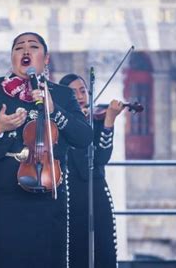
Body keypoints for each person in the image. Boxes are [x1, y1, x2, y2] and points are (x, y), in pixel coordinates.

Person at [0, 32, 93, 267]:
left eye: (33, 47)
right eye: (19, 48)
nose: (26, 51)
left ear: (46, 58)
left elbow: (83, 137)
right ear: (12, 57)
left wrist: (54, 110)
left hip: (47, 193)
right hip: (1, 194)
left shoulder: (61, 94)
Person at [59, 74, 124, 268]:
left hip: (96, 193)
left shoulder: (96, 120)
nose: (80, 96)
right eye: (73, 92)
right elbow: (81, 165)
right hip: (71, 195)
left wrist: (109, 122)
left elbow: (101, 159)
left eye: (83, 91)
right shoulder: (61, 123)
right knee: (75, 249)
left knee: (104, 247)